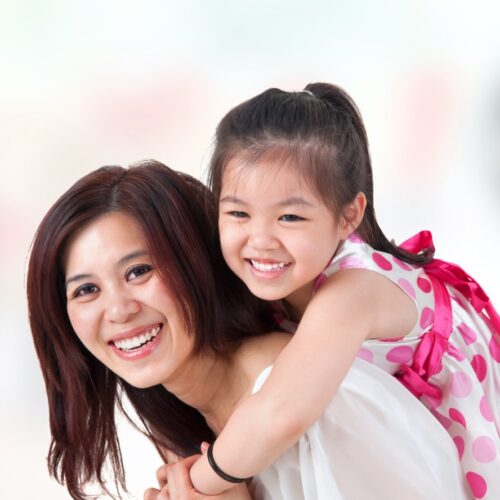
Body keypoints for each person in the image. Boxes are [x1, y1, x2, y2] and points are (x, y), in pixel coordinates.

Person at [27, 160, 468, 500]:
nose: (118, 310)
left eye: (139, 271)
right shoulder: (178, 419)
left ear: (197, 263)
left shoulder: (318, 399)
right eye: (86, 290)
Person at [185, 83, 500, 500]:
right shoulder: (278, 281)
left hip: (454, 438)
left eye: (291, 217)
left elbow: (283, 413)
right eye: (238, 213)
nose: (259, 239)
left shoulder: (353, 291)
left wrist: (196, 483)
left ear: (349, 215)